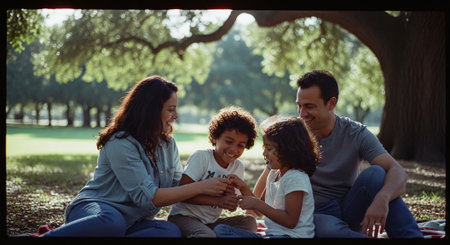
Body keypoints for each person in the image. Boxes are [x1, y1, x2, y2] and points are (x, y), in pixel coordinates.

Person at [41, 76, 232, 237]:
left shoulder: (168, 144)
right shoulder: (121, 143)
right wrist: (201, 186)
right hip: (96, 211)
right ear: (151, 109)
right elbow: (148, 198)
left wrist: (217, 196)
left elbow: (178, 187)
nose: (176, 116)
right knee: (112, 224)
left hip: (132, 222)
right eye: (171, 109)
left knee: (170, 231)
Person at [251, 70, 423, 238]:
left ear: (331, 104)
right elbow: (266, 183)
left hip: (349, 207)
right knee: (326, 229)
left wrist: (382, 199)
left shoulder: (355, 133)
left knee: (376, 173)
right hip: (312, 215)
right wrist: (250, 212)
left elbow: (397, 171)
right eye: (299, 106)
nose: (302, 114)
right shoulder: (294, 135)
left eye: (309, 106)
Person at [213, 116, 320, 238]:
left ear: (288, 150)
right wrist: (243, 188)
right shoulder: (274, 174)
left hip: (291, 236)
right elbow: (260, 210)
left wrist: (257, 205)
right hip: (274, 234)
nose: (264, 153)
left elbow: (290, 221)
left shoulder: (295, 178)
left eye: (269, 149)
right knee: (221, 230)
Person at [168, 106, 258, 237]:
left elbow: (234, 204)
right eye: (228, 141)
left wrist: (230, 201)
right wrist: (218, 202)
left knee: (249, 222)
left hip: (211, 222)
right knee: (207, 235)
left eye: (241, 145)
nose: (234, 149)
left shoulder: (238, 167)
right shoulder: (202, 157)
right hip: (184, 217)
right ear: (215, 137)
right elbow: (182, 193)